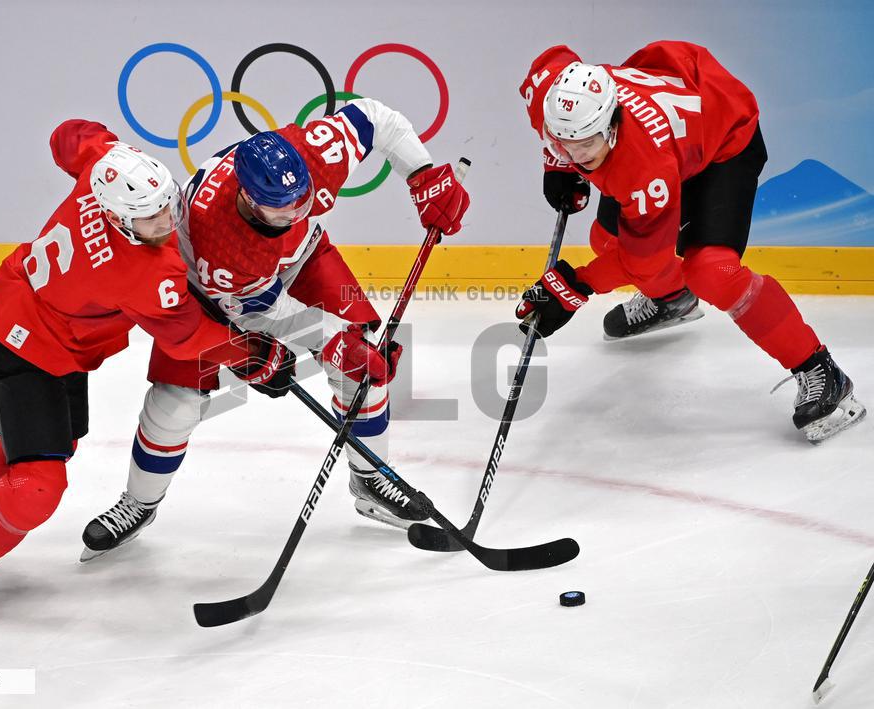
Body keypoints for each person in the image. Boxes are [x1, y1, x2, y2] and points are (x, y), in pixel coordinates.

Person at [0, 120, 294, 625]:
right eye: (150, 220)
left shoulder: (103, 172)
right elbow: (187, 335)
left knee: (58, 440)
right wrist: (257, 355)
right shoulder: (144, 273)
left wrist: (105, 152)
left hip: (40, 328)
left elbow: (67, 135)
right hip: (21, 352)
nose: (168, 221)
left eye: (167, 205)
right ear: (120, 220)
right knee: (39, 484)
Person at [79, 97, 470, 560]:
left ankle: (371, 479)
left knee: (366, 362)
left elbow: (377, 118)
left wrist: (422, 176)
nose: (295, 217)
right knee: (174, 403)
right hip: (215, 295)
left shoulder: (310, 154)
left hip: (306, 261)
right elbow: (265, 311)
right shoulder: (217, 237)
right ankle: (139, 503)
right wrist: (330, 343)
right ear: (247, 198)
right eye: (280, 213)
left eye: (301, 205)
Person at [515, 41, 865, 443]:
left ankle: (820, 369)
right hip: (682, 109)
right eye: (563, 141)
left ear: (612, 124)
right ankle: (673, 300)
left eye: (586, 145)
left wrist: (575, 285)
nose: (577, 155)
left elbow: (643, 259)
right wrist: (557, 161)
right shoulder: (551, 96)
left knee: (711, 270)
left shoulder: (644, 169)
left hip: (724, 137)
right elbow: (551, 59)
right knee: (605, 239)